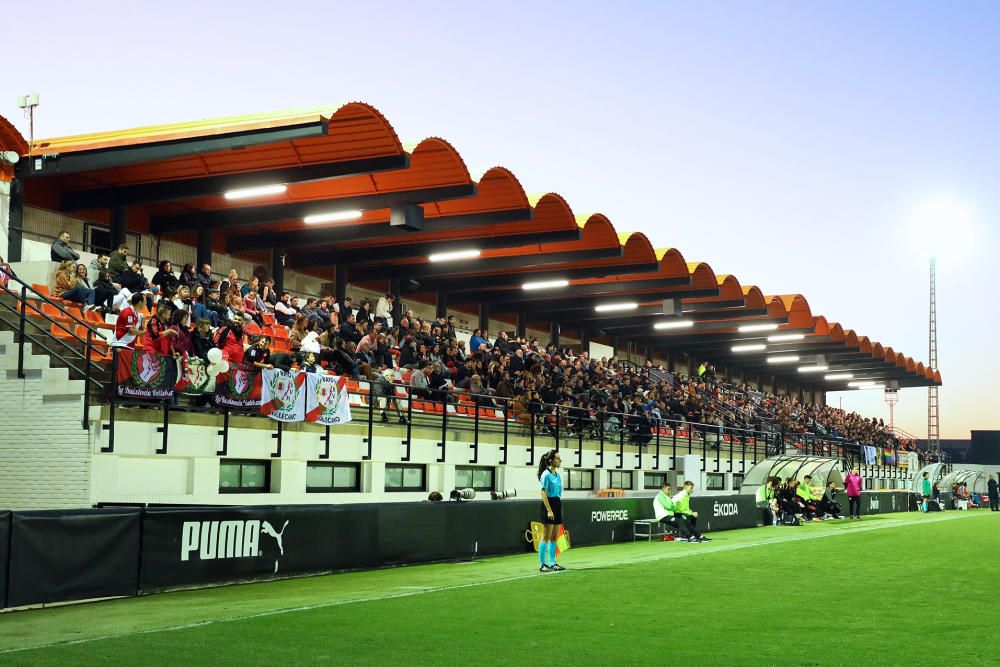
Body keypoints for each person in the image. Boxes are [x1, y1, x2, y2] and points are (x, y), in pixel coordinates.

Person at [537, 449, 566, 572]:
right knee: (546, 537)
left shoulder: (557, 475)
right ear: (551, 460)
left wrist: (556, 508)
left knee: (554, 537)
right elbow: (543, 493)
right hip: (548, 504)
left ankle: (553, 563)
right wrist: (549, 510)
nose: (560, 461)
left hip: (557, 503)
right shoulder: (545, 474)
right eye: (558, 459)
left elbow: (558, 492)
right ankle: (543, 564)